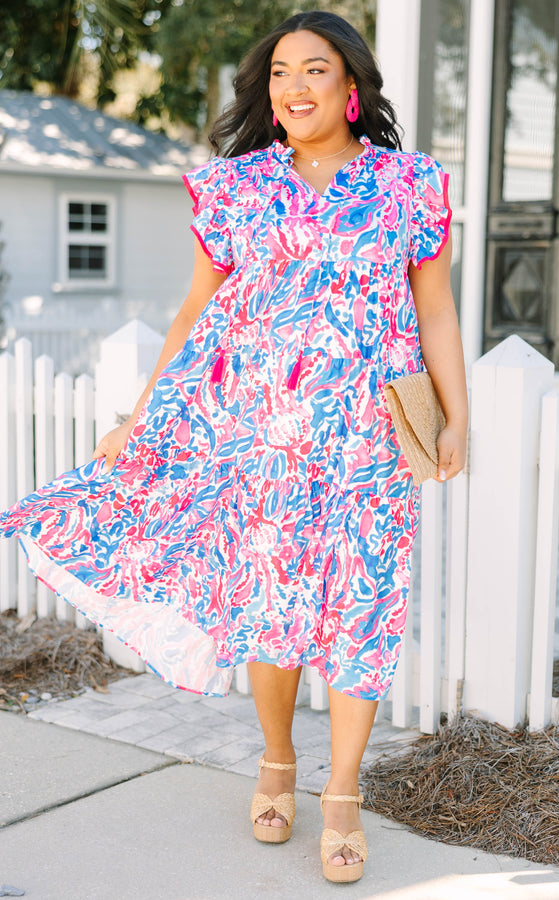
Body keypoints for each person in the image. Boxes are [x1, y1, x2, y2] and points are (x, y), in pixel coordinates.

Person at [0, 10, 468, 884]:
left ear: (351, 85)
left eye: (314, 69)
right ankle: (277, 762)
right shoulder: (238, 187)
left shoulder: (412, 185)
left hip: (368, 444)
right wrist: (143, 416)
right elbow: (195, 311)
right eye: (280, 72)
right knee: (274, 610)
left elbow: (434, 308)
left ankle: (343, 793)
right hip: (263, 440)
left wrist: (456, 415)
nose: (293, 86)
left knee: (363, 608)